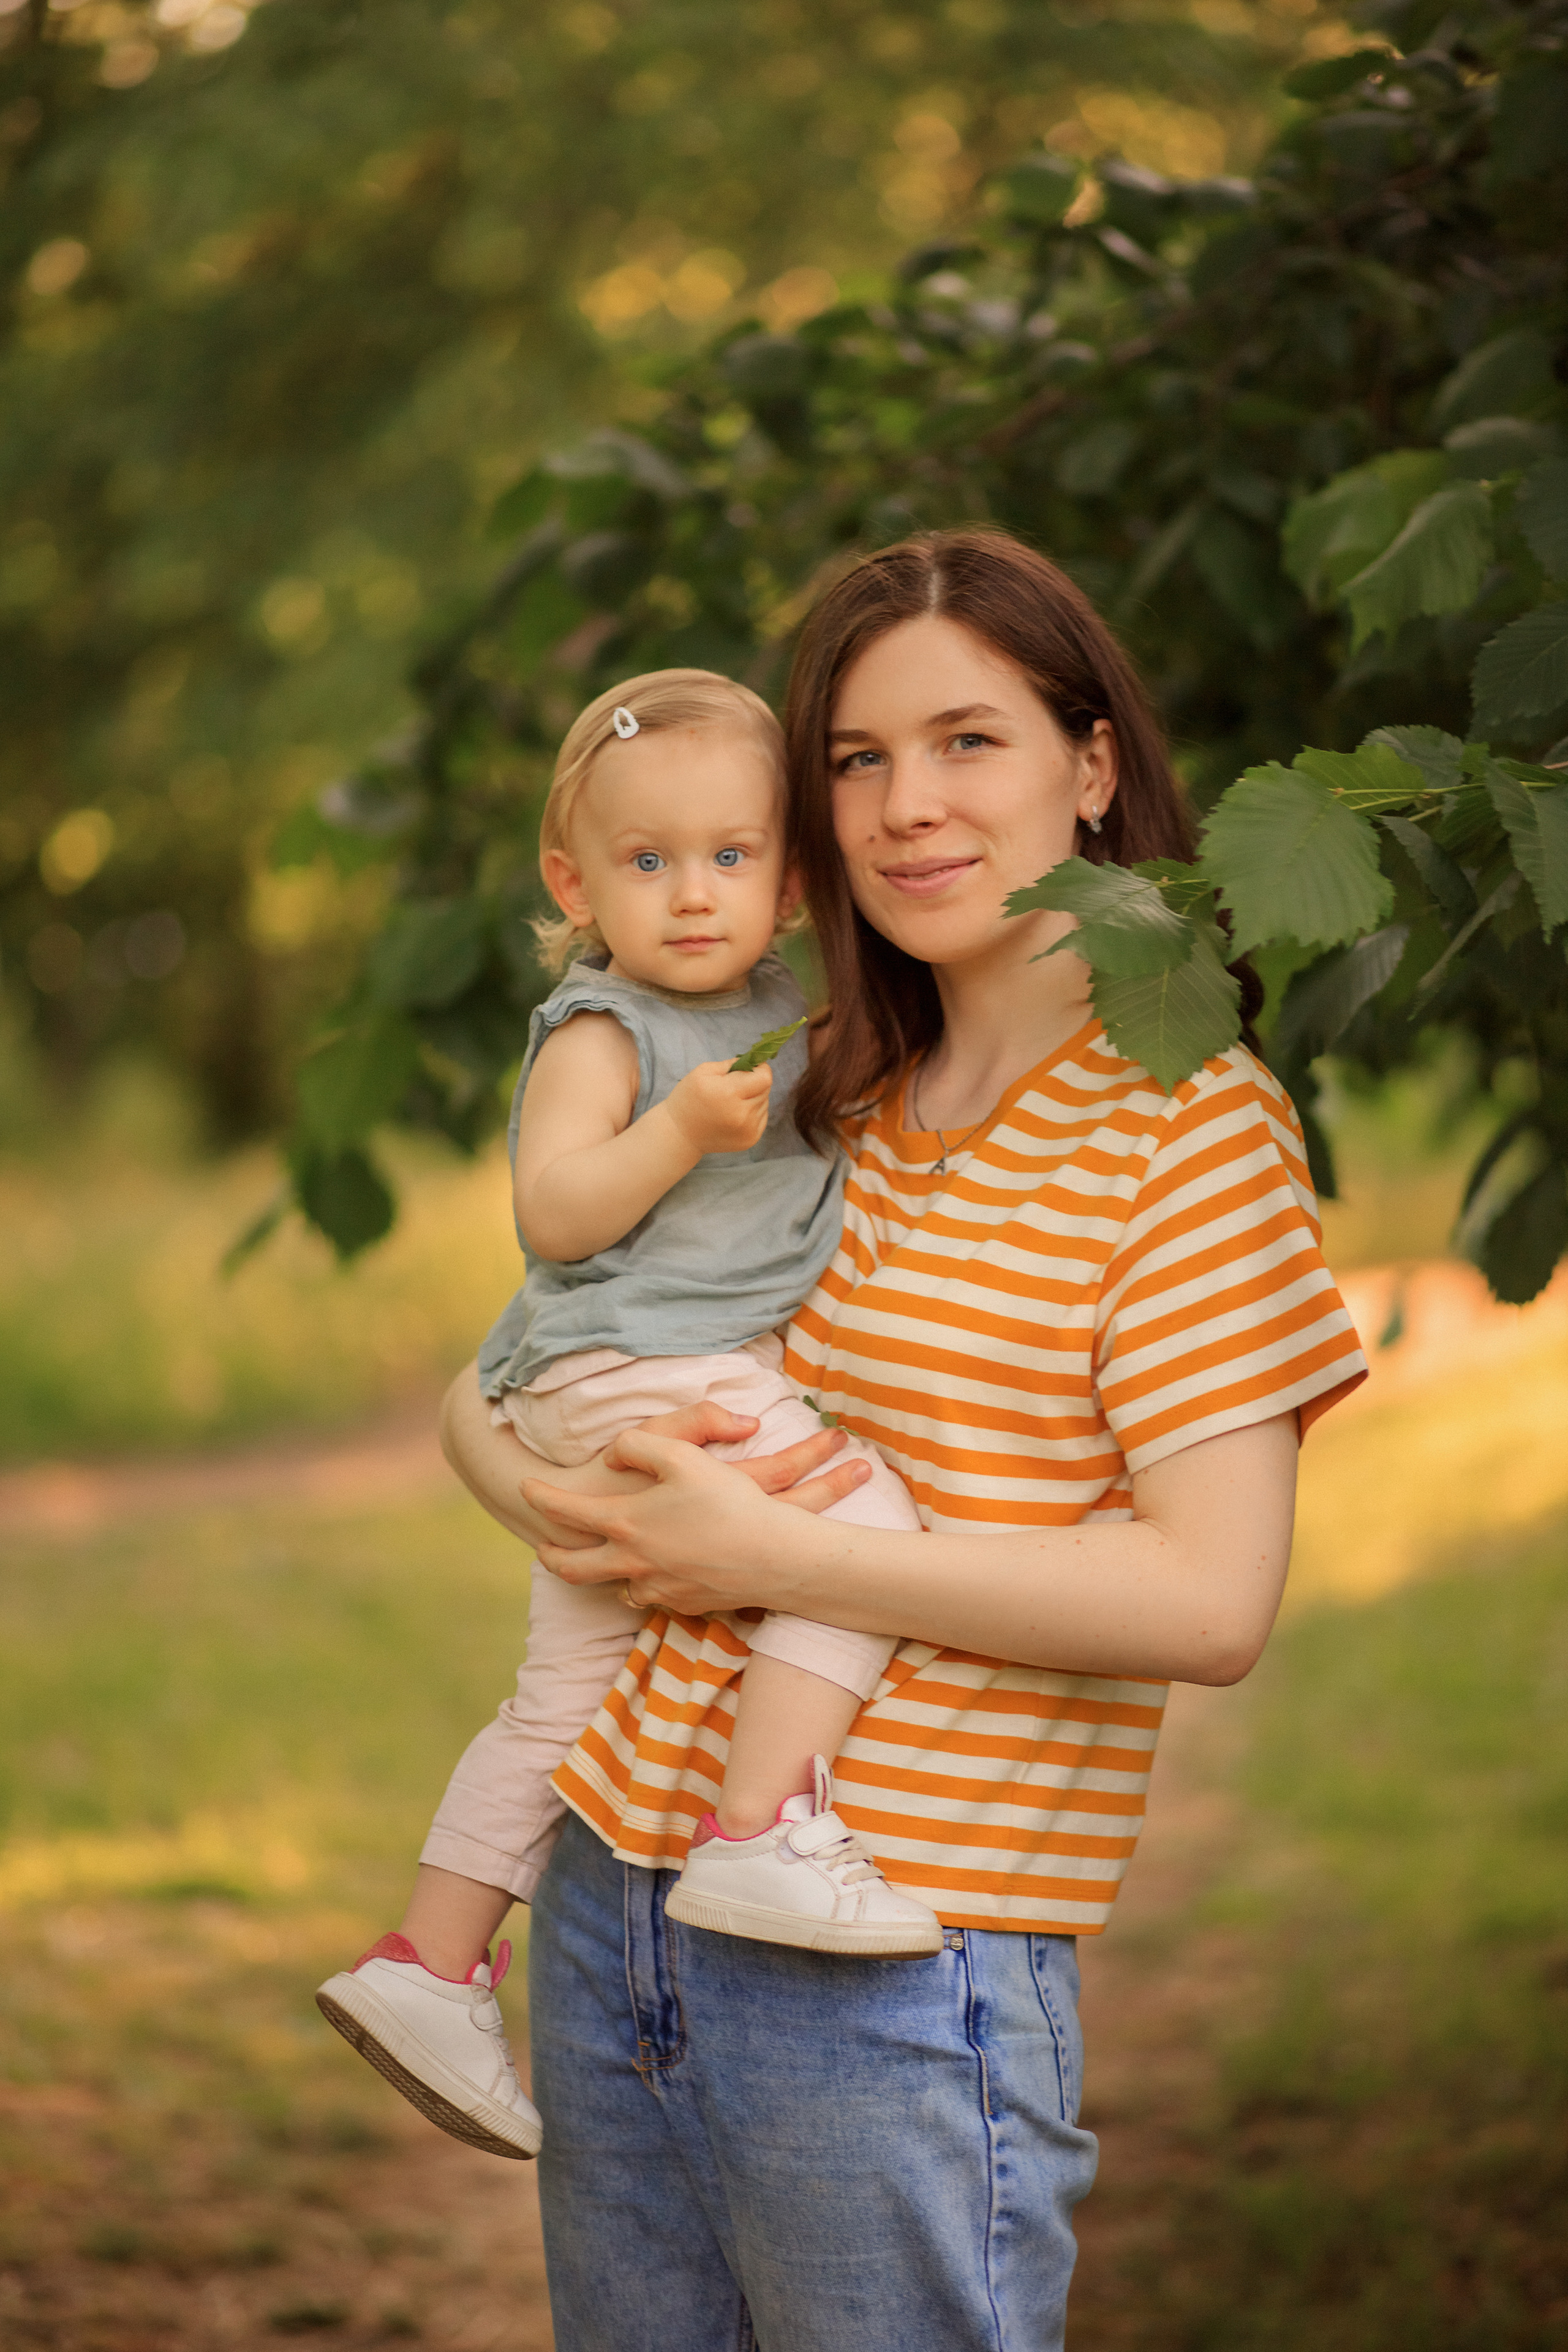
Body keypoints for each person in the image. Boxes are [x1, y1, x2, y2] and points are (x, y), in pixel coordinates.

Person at [439, 528, 1368, 2352]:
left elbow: (1211, 1599)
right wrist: (562, 1504)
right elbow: (490, 1379)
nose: (902, 805)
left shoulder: (1191, 1137)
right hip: (615, 1899)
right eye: (854, 761)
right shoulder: (807, 1090)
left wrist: (771, 1557)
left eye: (966, 743)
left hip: (895, 1965)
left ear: (1091, 770)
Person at [315, 669, 941, 2166]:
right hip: (633, 1365)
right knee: (867, 1517)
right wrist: (672, 1132)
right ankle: (755, 1833)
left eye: (729, 858)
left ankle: (429, 1963)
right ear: (573, 883)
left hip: (629, 1377)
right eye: (646, 863)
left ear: (789, 878)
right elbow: (552, 1209)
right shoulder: (605, 1031)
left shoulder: (786, 1008)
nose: (689, 896)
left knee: (562, 1694)